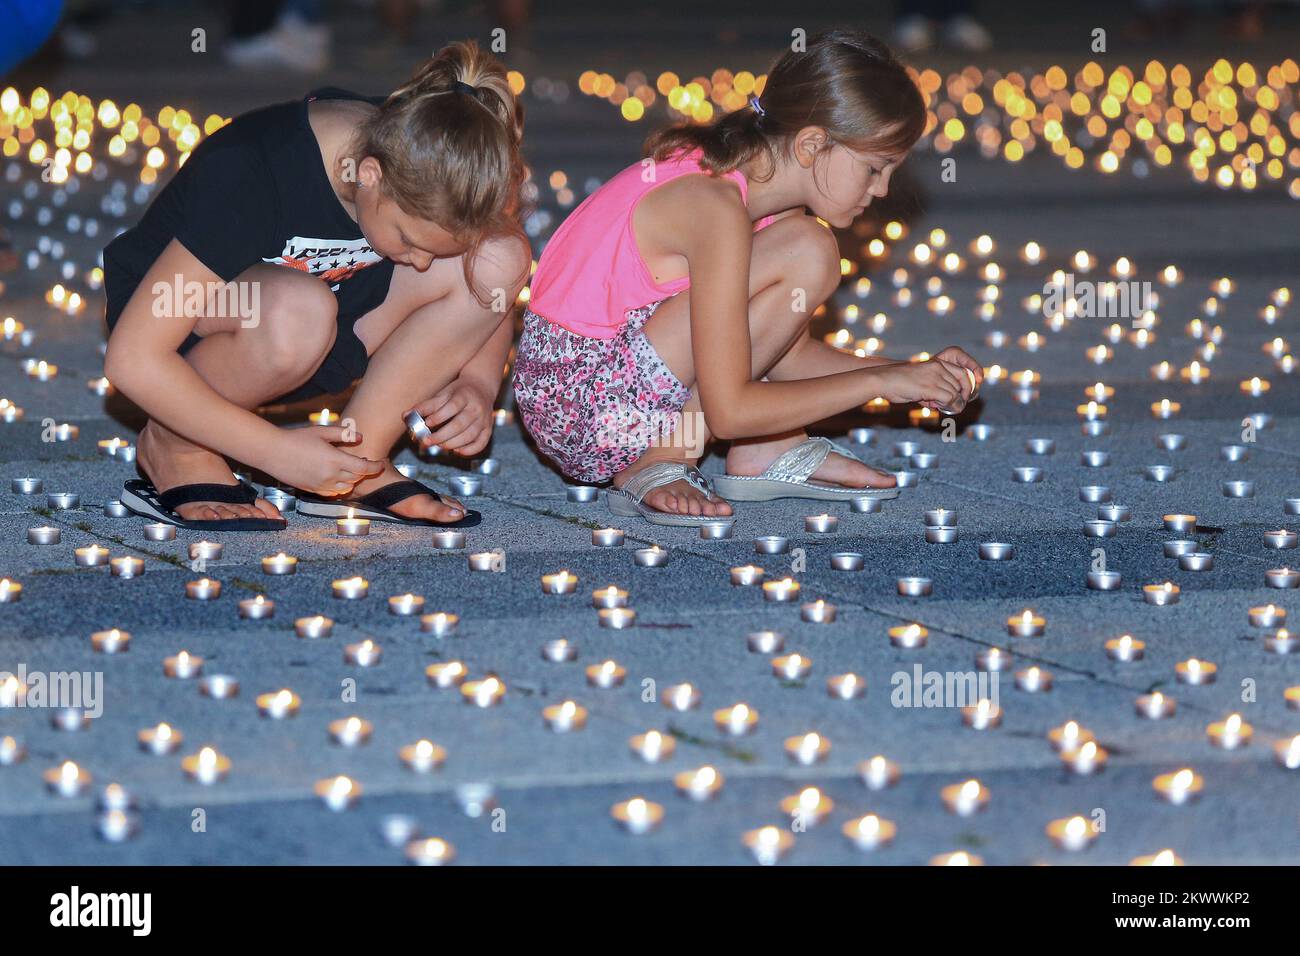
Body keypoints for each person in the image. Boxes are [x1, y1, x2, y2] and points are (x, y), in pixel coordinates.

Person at [514, 29, 982, 526]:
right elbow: (730, 409)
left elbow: (786, 355)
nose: (882, 189)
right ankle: (660, 458)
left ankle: (766, 450)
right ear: (811, 144)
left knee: (808, 247)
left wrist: (916, 376)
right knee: (812, 250)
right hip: (583, 408)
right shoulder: (714, 206)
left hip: (608, 385)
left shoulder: (763, 200)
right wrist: (882, 381)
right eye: (874, 168)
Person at [102, 40, 529, 530]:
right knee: (296, 311)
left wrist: (478, 381)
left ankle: (356, 460)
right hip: (188, 331)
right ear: (370, 175)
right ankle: (177, 444)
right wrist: (273, 451)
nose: (423, 263)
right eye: (410, 240)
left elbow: (489, 272)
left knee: (501, 254)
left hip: (328, 316)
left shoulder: (424, 149)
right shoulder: (256, 170)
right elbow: (130, 358)